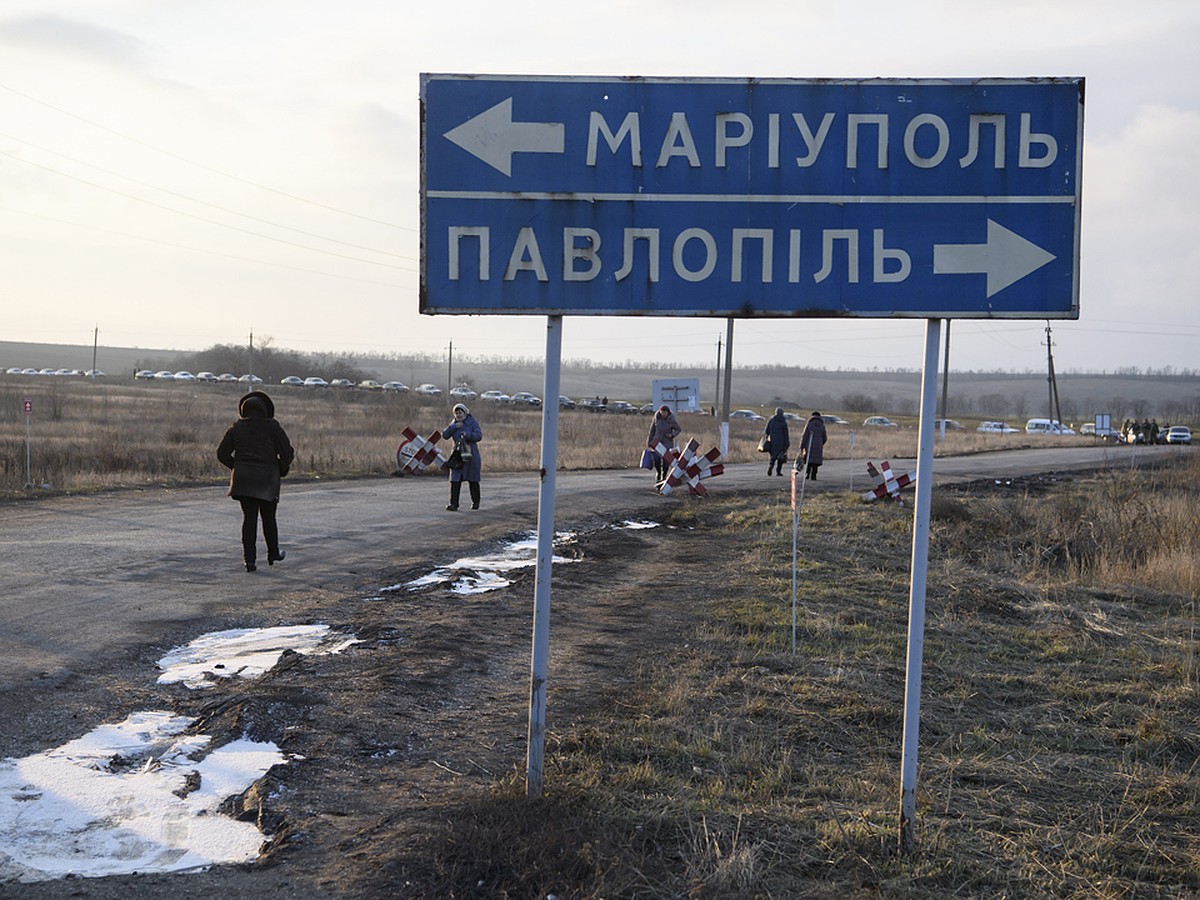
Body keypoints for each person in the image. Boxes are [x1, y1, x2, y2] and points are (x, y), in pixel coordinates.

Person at [217, 391, 295, 572]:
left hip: (243, 481)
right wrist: (281, 469)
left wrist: (237, 467)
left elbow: (221, 454)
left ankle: (249, 561)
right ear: (265, 410)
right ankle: (273, 553)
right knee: (269, 518)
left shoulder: (236, 428)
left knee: (249, 519)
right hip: (267, 479)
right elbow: (287, 453)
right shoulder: (273, 427)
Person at [443, 402, 482, 511]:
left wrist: (467, 435)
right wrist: (453, 427)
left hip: (471, 456)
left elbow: (479, 436)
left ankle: (476, 502)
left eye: (460, 412)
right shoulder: (454, 424)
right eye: (456, 413)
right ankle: (454, 504)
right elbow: (445, 435)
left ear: (465, 413)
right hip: (457, 456)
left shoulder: (472, 423)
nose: (458, 415)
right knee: (455, 480)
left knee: (473, 480)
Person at [647, 404, 682, 483]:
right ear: (660, 411)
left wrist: (672, 435)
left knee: (666, 462)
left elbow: (678, 429)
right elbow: (652, 430)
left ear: (668, 412)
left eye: (665, 412)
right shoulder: (656, 418)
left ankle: (664, 475)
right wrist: (649, 441)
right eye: (662, 412)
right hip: (657, 442)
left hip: (667, 443)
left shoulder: (671, 419)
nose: (663, 414)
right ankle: (658, 472)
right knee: (656, 459)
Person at [797, 411, 828, 480]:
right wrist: (821, 443)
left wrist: (802, 446)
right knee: (816, 461)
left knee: (809, 459)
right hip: (818, 444)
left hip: (809, 444)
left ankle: (807, 474)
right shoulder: (822, 425)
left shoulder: (809, 424)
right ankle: (814, 474)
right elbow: (825, 437)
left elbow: (805, 435)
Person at [763, 407, 790, 476]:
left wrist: (767, 437)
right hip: (782, 442)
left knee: (773, 455)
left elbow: (767, 431)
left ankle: (771, 466)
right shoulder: (783, 422)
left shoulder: (771, 420)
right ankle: (778, 471)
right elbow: (786, 434)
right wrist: (787, 444)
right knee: (780, 457)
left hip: (773, 441)